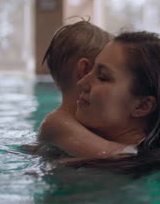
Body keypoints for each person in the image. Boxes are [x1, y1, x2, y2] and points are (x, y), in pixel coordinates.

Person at [64, 31, 160, 174]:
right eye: (92, 70)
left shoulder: (112, 175)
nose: (81, 82)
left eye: (102, 77)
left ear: (142, 106)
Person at [37, 20, 129, 158]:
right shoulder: (57, 123)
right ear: (85, 70)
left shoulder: (90, 122)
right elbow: (114, 154)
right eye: (103, 72)